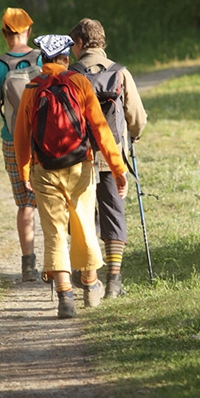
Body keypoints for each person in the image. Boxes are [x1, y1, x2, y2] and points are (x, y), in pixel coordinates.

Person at [13, 34, 128, 319]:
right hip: (80, 168)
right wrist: (118, 170)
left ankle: (65, 298)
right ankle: (89, 285)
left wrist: (25, 170)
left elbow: (21, 136)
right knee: (84, 226)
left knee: (54, 234)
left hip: (44, 171)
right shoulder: (79, 83)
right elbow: (101, 130)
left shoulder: (32, 88)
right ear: (66, 58)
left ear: (42, 59)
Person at [68, 18, 148, 298]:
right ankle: (114, 280)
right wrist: (132, 137)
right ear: (102, 42)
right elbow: (137, 118)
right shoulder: (120, 73)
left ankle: (87, 274)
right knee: (114, 213)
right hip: (113, 156)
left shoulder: (71, 75)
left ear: (79, 43)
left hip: (79, 157)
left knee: (83, 215)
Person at [0, 7, 43, 282]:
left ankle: (28, 265)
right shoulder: (43, 57)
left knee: (25, 203)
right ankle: (61, 260)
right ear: (28, 30)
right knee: (53, 199)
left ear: (4, 32)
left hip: (13, 141)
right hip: (45, 139)